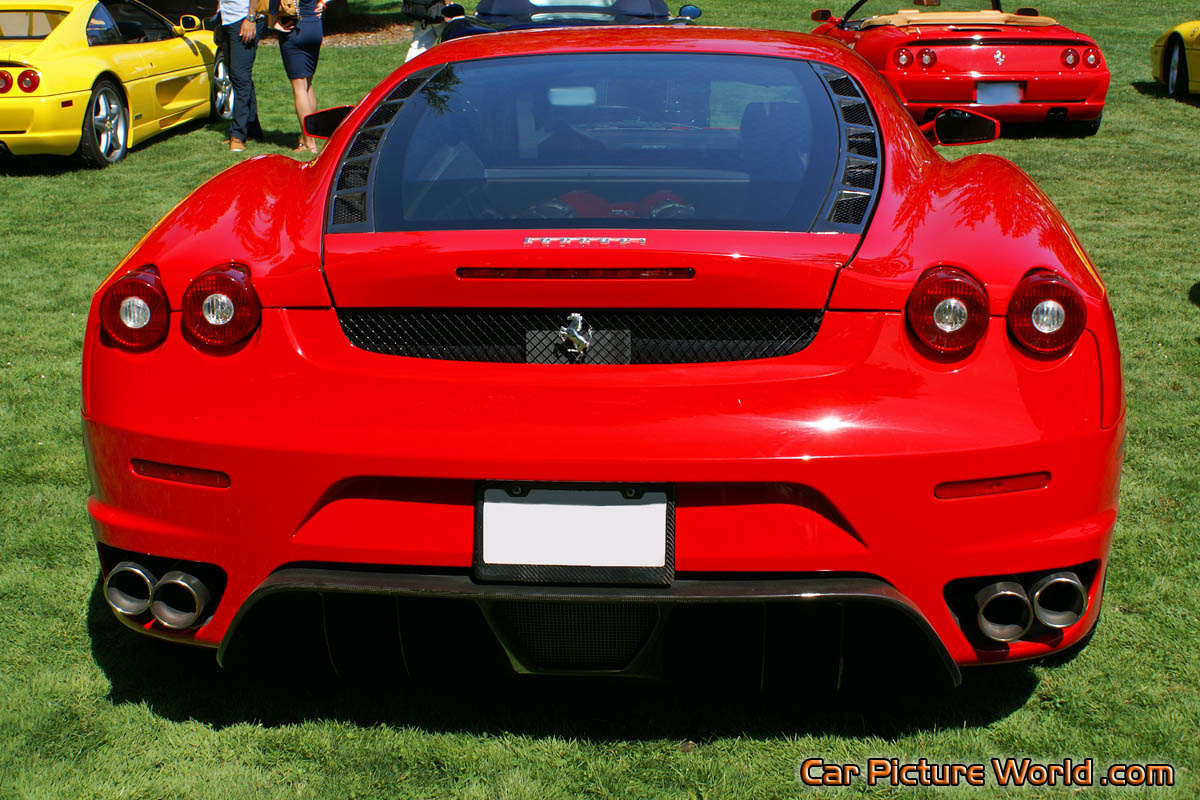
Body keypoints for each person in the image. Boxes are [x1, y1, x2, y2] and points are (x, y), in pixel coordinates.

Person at [272, 0, 328, 153]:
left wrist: (271, 21)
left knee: (299, 88)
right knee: (308, 84)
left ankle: (309, 143)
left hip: (294, 27)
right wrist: (323, 2)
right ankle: (308, 137)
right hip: (314, 26)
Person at [218, 0, 267, 152]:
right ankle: (252, 128)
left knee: (240, 76)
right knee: (237, 75)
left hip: (244, 19)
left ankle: (237, 135)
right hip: (226, 19)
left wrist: (251, 17)